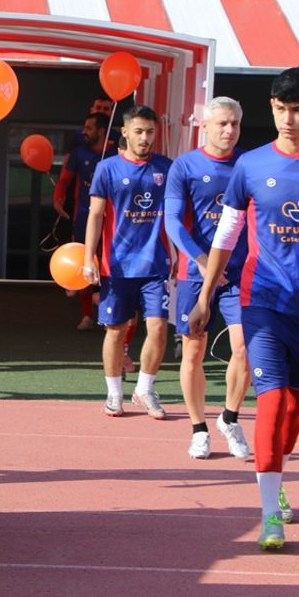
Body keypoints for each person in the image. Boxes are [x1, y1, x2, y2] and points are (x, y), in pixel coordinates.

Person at [188, 67, 299, 551]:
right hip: (261, 301)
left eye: (297, 110)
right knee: (272, 401)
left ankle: (277, 477)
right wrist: (204, 296)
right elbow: (227, 234)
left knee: (295, 408)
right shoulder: (251, 166)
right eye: (280, 109)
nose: (288, 119)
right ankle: (268, 514)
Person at [164, 97, 251, 460]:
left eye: (234, 124)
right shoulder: (185, 166)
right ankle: (199, 428)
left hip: (239, 274)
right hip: (195, 275)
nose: (229, 130)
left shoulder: (248, 164)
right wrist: (201, 260)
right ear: (205, 127)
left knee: (245, 347)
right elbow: (172, 221)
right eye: (222, 124)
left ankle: (229, 418)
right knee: (193, 351)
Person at [81, 105, 173, 419]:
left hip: (155, 265)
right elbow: (95, 215)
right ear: (125, 132)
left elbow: (176, 215)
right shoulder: (107, 169)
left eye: (150, 132)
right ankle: (114, 393)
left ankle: (144, 389)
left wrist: (180, 253)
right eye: (139, 131)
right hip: (117, 265)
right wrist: (89, 257)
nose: (145, 137)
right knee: (116, 330)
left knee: (158, 328)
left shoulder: (166, 168)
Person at [55, 112, 118, 331]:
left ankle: (108, 314)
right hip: (84, 216)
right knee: (84, 261)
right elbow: (64, 180)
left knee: (108, 263)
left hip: (112, 219)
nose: (85, 132)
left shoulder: (116, 155)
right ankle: (86, 315)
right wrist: (58, 199)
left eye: (89, 128)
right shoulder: (79, 153)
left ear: (101, 131)